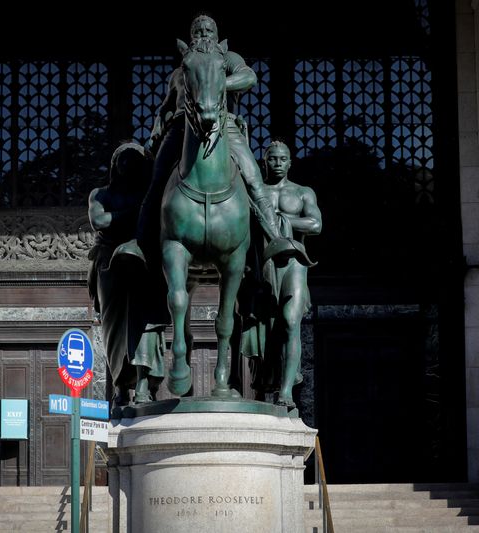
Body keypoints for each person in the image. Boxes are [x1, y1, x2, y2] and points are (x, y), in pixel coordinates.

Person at [117, 14, 281, 262]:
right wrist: (155, 132)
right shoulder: (179, 72)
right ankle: (140, 244)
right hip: (180, 128)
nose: (203, 34)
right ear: (190, 37)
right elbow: (165, 107)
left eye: (208, 30)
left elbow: (249, 77)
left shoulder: (227, 59)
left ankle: (275, 239)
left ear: (217, 36)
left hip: (223, 125)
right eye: (198, 30)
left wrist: (214, 83)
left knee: (254, 179)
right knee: (156, 183)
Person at [242, 141, 322, 407]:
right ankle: (262, 388)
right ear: (264, 163)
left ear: (290, 163)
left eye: (282, 159)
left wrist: (283, 221)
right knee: (263, 330)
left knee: (290, 322)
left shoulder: (302, 192)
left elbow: (316, 224)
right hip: (262, 267)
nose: (277, 163)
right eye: (272, 159)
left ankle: (286, 392)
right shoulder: (255, 192)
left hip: (294, 262)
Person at [87, 143, 165, 405]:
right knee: (114, 329)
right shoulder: (100, 194)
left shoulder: (149, 195)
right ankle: (120, 385)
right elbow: (99, 220)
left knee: (145, 324)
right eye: (124, 160)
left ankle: (145, 381)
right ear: (115, 165)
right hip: (110, 267)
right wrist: (134, 213)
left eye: (135, 161)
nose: (128, 165)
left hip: (142, 262)